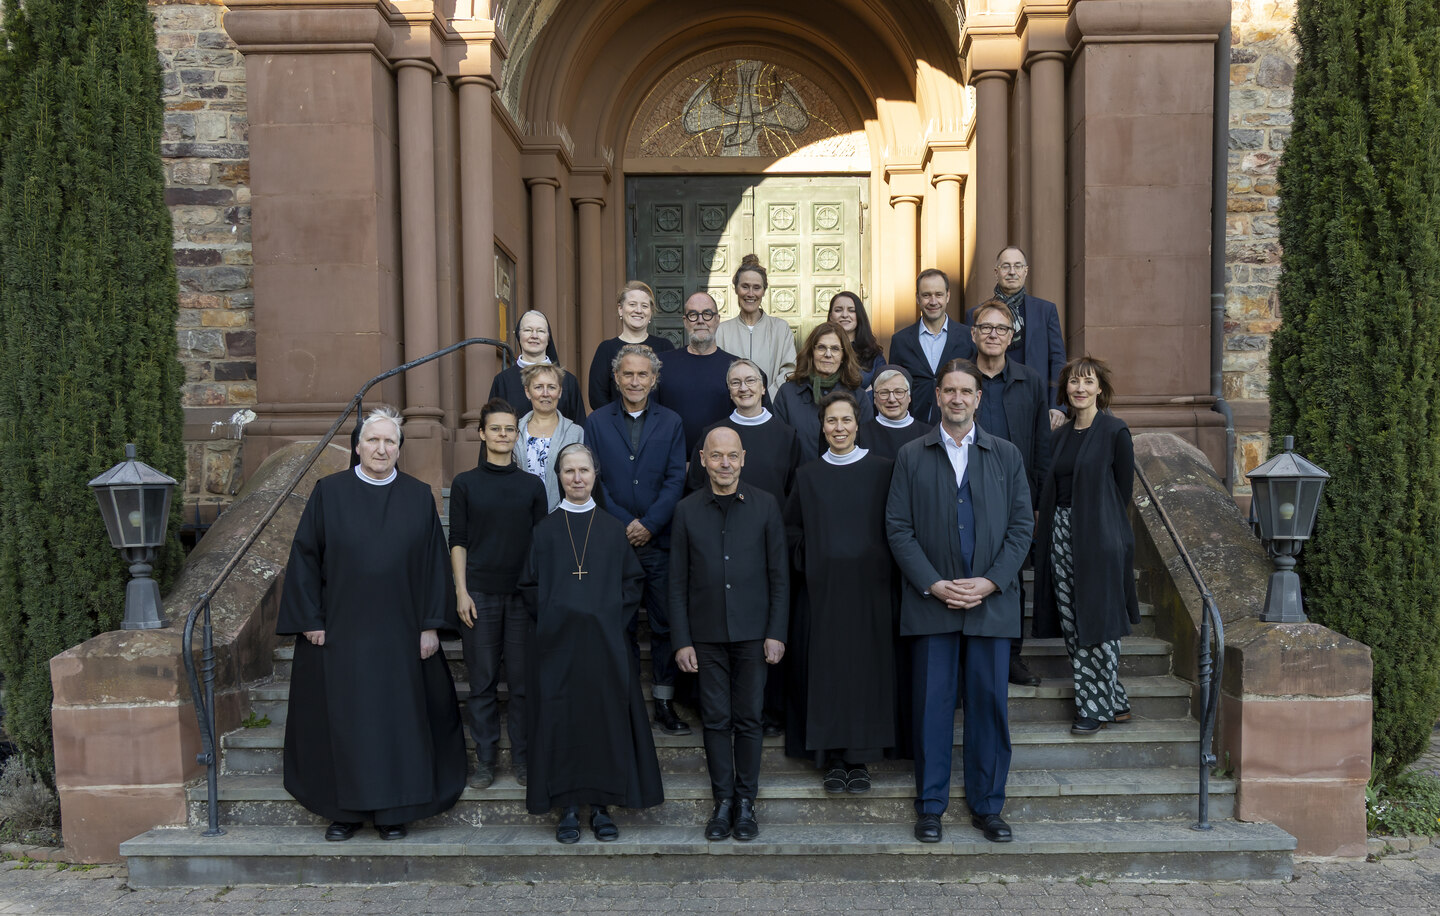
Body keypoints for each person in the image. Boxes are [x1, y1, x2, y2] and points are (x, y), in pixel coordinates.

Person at [277, 405, 466, 842]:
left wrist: (430, 626)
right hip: (341, 632)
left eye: (390, 442)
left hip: (401, 634)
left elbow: (433, 565)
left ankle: (393, 812)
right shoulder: (329, 492)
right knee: (344, 722)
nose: (382, 449)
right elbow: (306, 557)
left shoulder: (418, 496)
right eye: (373, 440)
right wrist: (311, 619)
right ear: (357, 446)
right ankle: (344, 812)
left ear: (399, 450)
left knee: (396, 723)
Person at [886, 360, 1033, 845]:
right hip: (932, 605)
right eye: (948, 390)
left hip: (992, 605)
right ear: (938, 397)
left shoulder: (1007, 455)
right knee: (932, 708)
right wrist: (932, 583)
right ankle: (930, 806)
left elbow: (1021, 528)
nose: (956, 398)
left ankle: (988, 806)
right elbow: (899, 529)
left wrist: (991, 582)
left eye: (965, 391)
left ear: (978, 398)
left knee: (989, 707)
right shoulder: (912, 455)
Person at [518, 443, 665, 843]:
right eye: (569, 471)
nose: (577, 478)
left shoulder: (613, 529)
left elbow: (632, 583)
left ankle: (600, 807)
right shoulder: (545, 530)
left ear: (595, 475)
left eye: (584, 470)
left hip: (604, 647)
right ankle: (566, 806)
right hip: (557, 649)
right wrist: (555, 618)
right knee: (562, 724)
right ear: (559, 476)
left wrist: (606, 620)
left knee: (602, 723)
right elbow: (529, 585)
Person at [670, 427, 789, 842]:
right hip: (705, 635)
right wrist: (682, 639)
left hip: (755, 634)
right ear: (702, 459)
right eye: (716, 456)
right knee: (717, 721)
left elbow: (780, 576)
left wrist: (776, 631)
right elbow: (677, 582)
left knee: (750, 719)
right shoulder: (686, 510)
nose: (724, 464)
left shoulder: (766, 506)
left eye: (732, 456)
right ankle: (722, 801)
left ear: (743, 458)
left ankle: (746, 803)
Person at [784, 391, 896, 794]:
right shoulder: (808, 475)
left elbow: (895, 528)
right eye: (831, 421)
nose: (839, 428)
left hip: (871, 595)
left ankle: (859, 758)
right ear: (822, 426)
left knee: (865, 674)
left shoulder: (883, 470)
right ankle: (831, 757)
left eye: (846, 420)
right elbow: (791, 531)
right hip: (822, 594)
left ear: (858, 424)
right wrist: (816, 557)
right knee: (827, 673)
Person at [584, 344, 691, 736]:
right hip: (614, 543)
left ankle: (664, 702)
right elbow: (593, 479)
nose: (634, 381)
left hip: (658, 542)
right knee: (620, 625)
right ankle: (626, 703)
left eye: (642, 375)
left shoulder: (672, 422)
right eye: (627, 374)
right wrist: (625, 523)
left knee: (664, 626)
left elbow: (676, 479)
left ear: (654, 379)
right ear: (616, 378)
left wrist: (649, 524)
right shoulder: (595, 423)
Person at [1032, 356, 1139, 735]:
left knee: (1100, 621)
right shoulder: (1059, 435)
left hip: (1100, 535)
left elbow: (1122, 490)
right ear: (1066, 390)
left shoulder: (1115, 431)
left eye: (1087, 382)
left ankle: (1093, 707)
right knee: (1075, 623)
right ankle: (1117, 700)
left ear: (1099, 389)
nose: (1080, 388)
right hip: (1061, 533)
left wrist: (1103, 526)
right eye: (1074, 382)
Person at [448, 398, 547, 789]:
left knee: (523, 686)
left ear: (516, 434)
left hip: (523, 598)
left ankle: (523, 760)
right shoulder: (465, 483)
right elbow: (458, 540)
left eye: (510, 429)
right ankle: (485, 761)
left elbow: (541, 545)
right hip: (480, 596)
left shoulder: (532, 485)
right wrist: (461, 591)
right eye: (496, 429)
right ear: (483, 433)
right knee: (483, 684)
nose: (503, 435)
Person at [970, 299, 1054, 688]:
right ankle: (968, 654)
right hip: (964, 492)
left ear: (1011, 337)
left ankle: (1011, 657)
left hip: (1015, 497)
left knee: (1012, 578)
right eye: (986, 328)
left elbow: (1041, 445)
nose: (993, 334)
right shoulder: (958, 376)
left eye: (1001, 329)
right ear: (973, 334)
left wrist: (1037, 503)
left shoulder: (1030, 381)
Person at [969, 246, 1068, 429]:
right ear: (996, 272)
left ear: (1026, 271)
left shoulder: (1045, 311)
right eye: (1006, 266)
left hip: (1035, 402)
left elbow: (1057, 359)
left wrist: (1058, 405)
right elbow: (969, 361)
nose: (1012, 272)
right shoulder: (976, 314)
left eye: (1018, 266)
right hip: (990, 402)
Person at [656, 292, 765, 456]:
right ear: (685, 321)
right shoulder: (661, 365)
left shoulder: (738, 369)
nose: (701, 320)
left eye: (707, 314)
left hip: (726, 468)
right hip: (671, 467)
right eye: (693, 315)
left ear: (717, 319)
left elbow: (757, 422)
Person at [683, 357, 803, 503]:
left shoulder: (787, 436)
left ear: (763, 388)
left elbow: (795, 493)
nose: (743, 388)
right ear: (729, 391)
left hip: (772, 523)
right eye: (735, 382)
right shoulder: (712, 434)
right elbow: (695, 487)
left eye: (750, 380)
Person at [773, 322, 873, 463]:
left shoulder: (858, 396)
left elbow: (865, 444)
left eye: (835, 349)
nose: (828, 354)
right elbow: (779, 446)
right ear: (811, 353)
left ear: (843, 355)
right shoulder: (787, 394)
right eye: (821, 347)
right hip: (800, 480)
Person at [887, 269, 976, 424]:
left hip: (957, 424)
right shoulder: (900, 341)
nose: (933, 301)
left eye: (939, 294)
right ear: (917, 298)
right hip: (914, 425)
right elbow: (894, 385)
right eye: (926, 295)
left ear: (948, 296)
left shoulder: (968, 337)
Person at [714, 255, 797, 399]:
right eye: (745, 287)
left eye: (756, 288)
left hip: (771, 409)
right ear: (736, 289)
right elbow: (715, 371)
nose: (750, 294)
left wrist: (764, 399)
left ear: (764, 291)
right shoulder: (722, 331)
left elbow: (789, 370)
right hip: (731, 408)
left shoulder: (780, 329)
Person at [588, 281, 675, 410]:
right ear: (620, 309)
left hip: (658, 426)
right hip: (616, 426)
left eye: (644, 306)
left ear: (650, 312)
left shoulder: (664, 346)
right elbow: (597, 397)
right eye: (632, 304)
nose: (638, 310)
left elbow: (671, 392)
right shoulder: (606, 349)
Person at [488, 310, 586, 423]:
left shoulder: (567, 381)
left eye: (540, 331)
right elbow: (491, 428)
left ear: (548, 338)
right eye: (528, 330)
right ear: (519, 335)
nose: (534, 336)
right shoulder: (502, 381)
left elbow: (579, 429)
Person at [514, 363, 586, 510]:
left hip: (563, 515)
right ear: (528, 392)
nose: (545, 393)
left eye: (552, 387)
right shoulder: (515, 431)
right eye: (538, 387)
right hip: (521, 514)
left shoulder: (576, 432)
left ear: (559, 391)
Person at [858, 366, 932, 460]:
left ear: (909, 397)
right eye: (884, 393)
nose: (892, 399)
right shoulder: (860, 435)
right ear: (875, 398)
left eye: (899, 392)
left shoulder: (928, 435)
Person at [827, 291, 886, 393]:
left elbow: (883, 391)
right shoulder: (821, 351)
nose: (845, 315)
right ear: (831, 316)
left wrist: (868, 395)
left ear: (859, 316)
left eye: (851, 310)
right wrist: (866, 390)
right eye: (838, 310)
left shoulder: (873, 354)